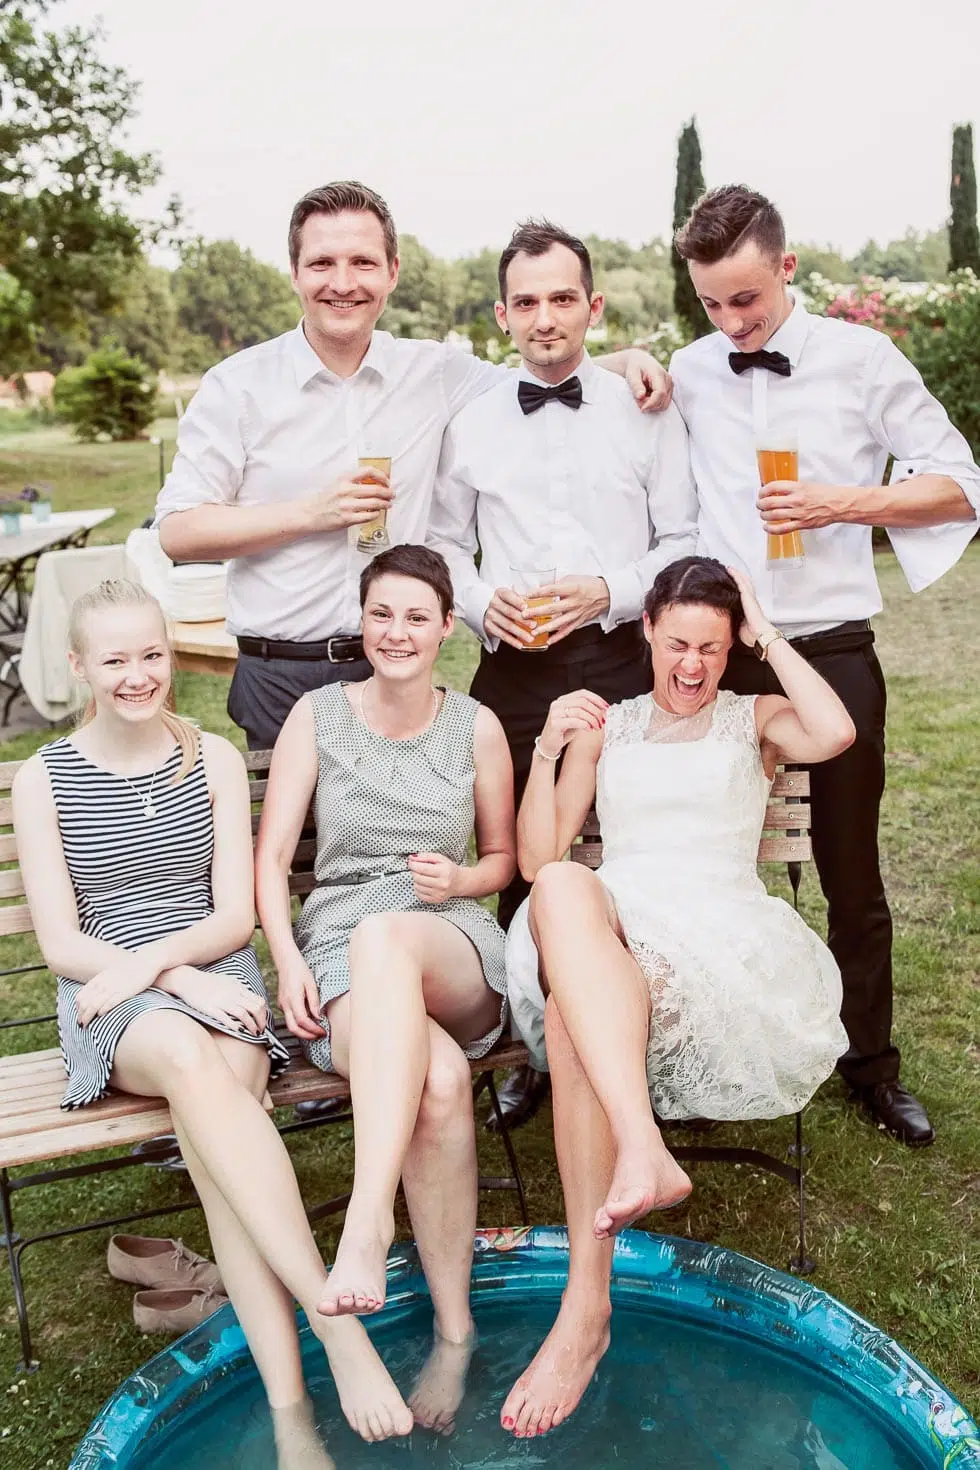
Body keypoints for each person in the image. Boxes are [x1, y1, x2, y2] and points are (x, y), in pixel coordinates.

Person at [12, 579, 418, 1463]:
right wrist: (170, 980)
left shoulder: (214, 760)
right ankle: (335, 1329)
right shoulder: (45, 776)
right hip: (115, 995)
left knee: (220, 1131)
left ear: (173, 654)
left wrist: (188, 972)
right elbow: (60, 943)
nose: (136, 676)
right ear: (80, 667)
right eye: (114, 660)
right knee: (198, 1072)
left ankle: (287, 1415)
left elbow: (235, 914)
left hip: (218, 974)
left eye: (151, 654)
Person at [502, 556, 854, 1437]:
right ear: (646, 631)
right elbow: (539, 856)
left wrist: (769, 633)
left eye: (715, 647)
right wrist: (547, 746)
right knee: (560, 891)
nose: (694, 664)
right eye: (678, 643)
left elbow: (837, 732)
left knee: (583, 1017)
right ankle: (642, 1145)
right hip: (611, 920)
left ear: (735, 647)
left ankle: (587, 1305)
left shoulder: (757, 718)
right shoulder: (606, 726)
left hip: (715, 938)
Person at [670, 185, 980, 1146]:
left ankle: (871, 1066)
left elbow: (956, 484)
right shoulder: (687, 368)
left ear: (789, 268)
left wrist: (842, 504)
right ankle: (711, 1043)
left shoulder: (864, 358)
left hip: (831, 648)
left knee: (851, 866)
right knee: (706, 859)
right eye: (712, 305)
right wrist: (640, 360)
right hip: (719, 656)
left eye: (746, 302)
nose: (729, 322)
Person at [155, 180, 673, 752]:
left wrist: (624, 361)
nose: (343, 282)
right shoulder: (239, 385)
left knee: (407, 838)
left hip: (400, 666)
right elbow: (179, 533)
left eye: (363, 262)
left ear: (392, 272)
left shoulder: (433, 373)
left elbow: (543, 369)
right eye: (322, 262)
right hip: (284, 673)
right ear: (295, 271)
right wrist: (310, 513)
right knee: (292, 841)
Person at [428, 219, 699, 1126]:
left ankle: (640, 1031)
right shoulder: (469, 416)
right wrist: (476, 601)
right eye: (528, 302)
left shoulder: (647, 408)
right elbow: (436, 544)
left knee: (623, 851)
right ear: (503, 314)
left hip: (623, 660)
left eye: (562, 298)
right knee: (515, 859)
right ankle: (529, 1049)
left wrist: (610, 590)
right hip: (509, 669)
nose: (546, 318)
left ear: (594, 305)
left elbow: (683, 539)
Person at [254, 544, 514, 1437]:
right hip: (340, 947)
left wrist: (464, 881)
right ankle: (454, 1330)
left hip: (451, 940)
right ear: (360, 622)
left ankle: (365, 1226)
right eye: (381, 615)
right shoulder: (315, 716)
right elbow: (270, 858)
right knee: (438, 1086)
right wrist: (287, 957)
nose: (396, 632)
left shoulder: (476, 724)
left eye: (416, 616)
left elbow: (505, 859)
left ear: (447, 627)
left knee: (387, 935)